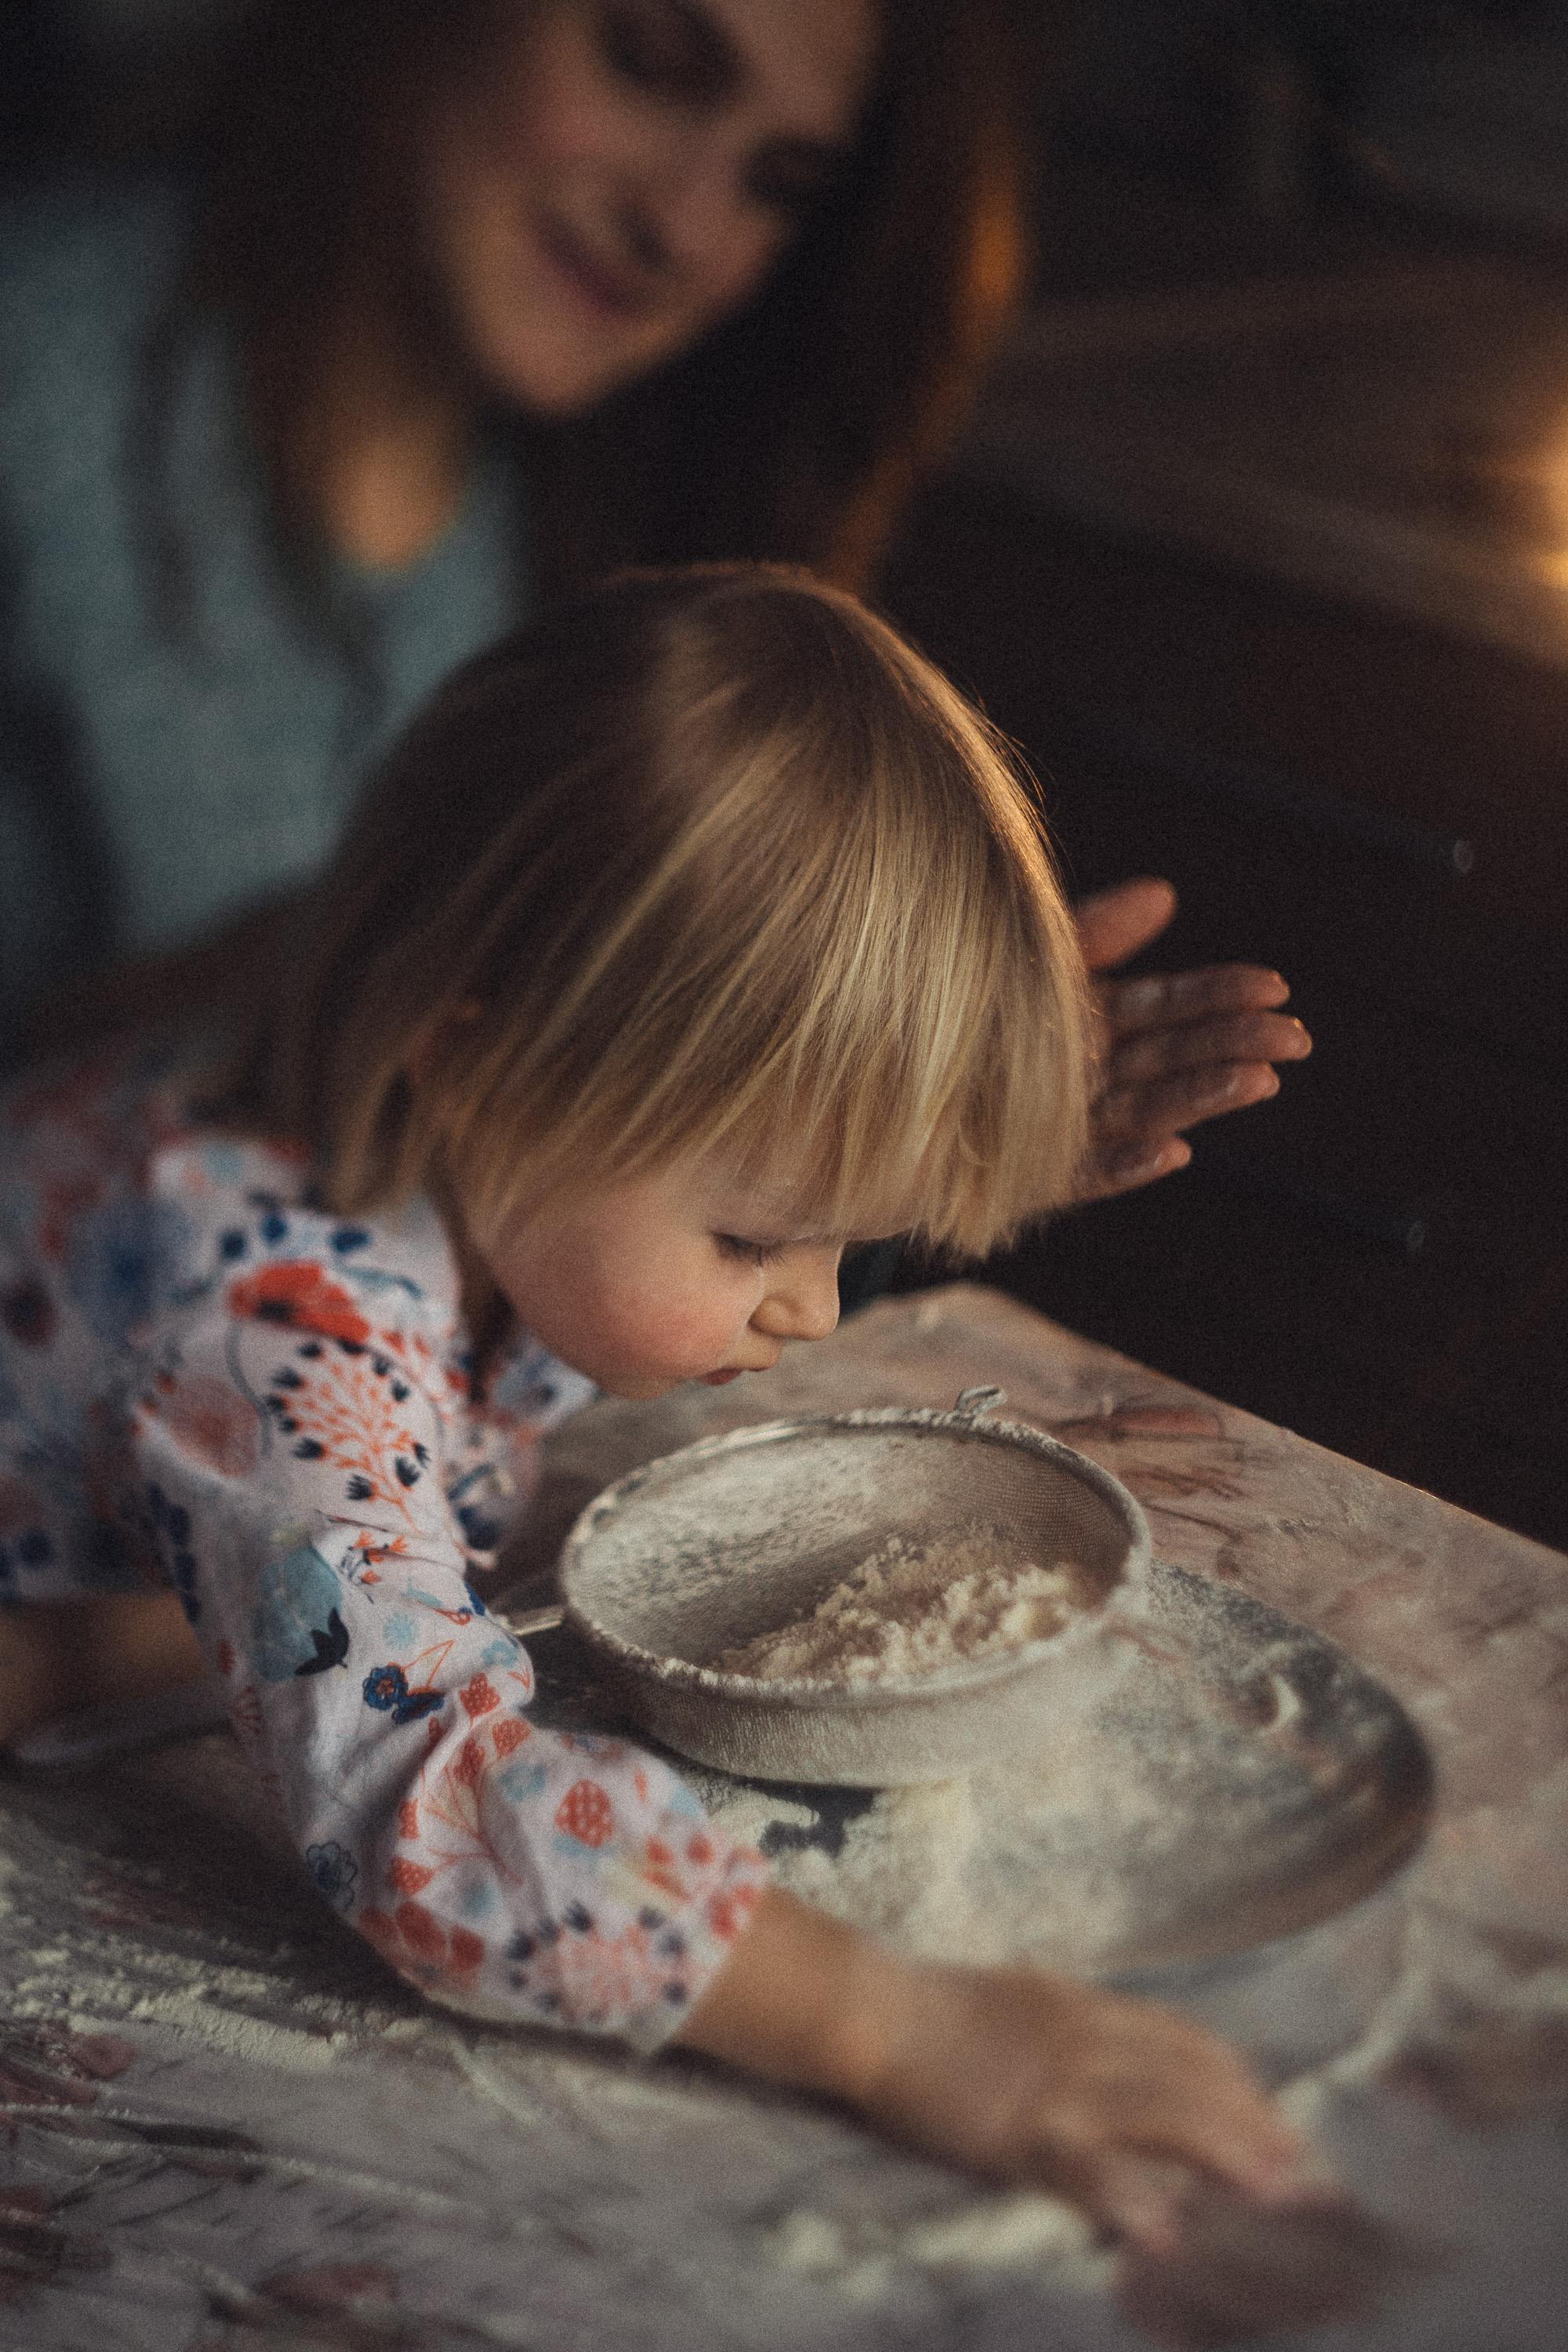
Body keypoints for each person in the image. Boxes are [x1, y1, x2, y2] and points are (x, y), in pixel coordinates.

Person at [0, 564, 1310, 2252]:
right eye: (758, 1234)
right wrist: (902, 2026)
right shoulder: (277, 1332)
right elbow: (436, 1815)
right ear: (475, 1066)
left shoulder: (480, 1111)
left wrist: (918, 1116)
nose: (814, 1308)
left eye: (850, 1231)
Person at [0, 0, 1310, 1198]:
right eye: (656, 62)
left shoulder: (647, 515)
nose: (687, 227)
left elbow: (567, 1223)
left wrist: (856, 1125)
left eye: (779, 182)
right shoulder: (37, 372)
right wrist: (329, 964)